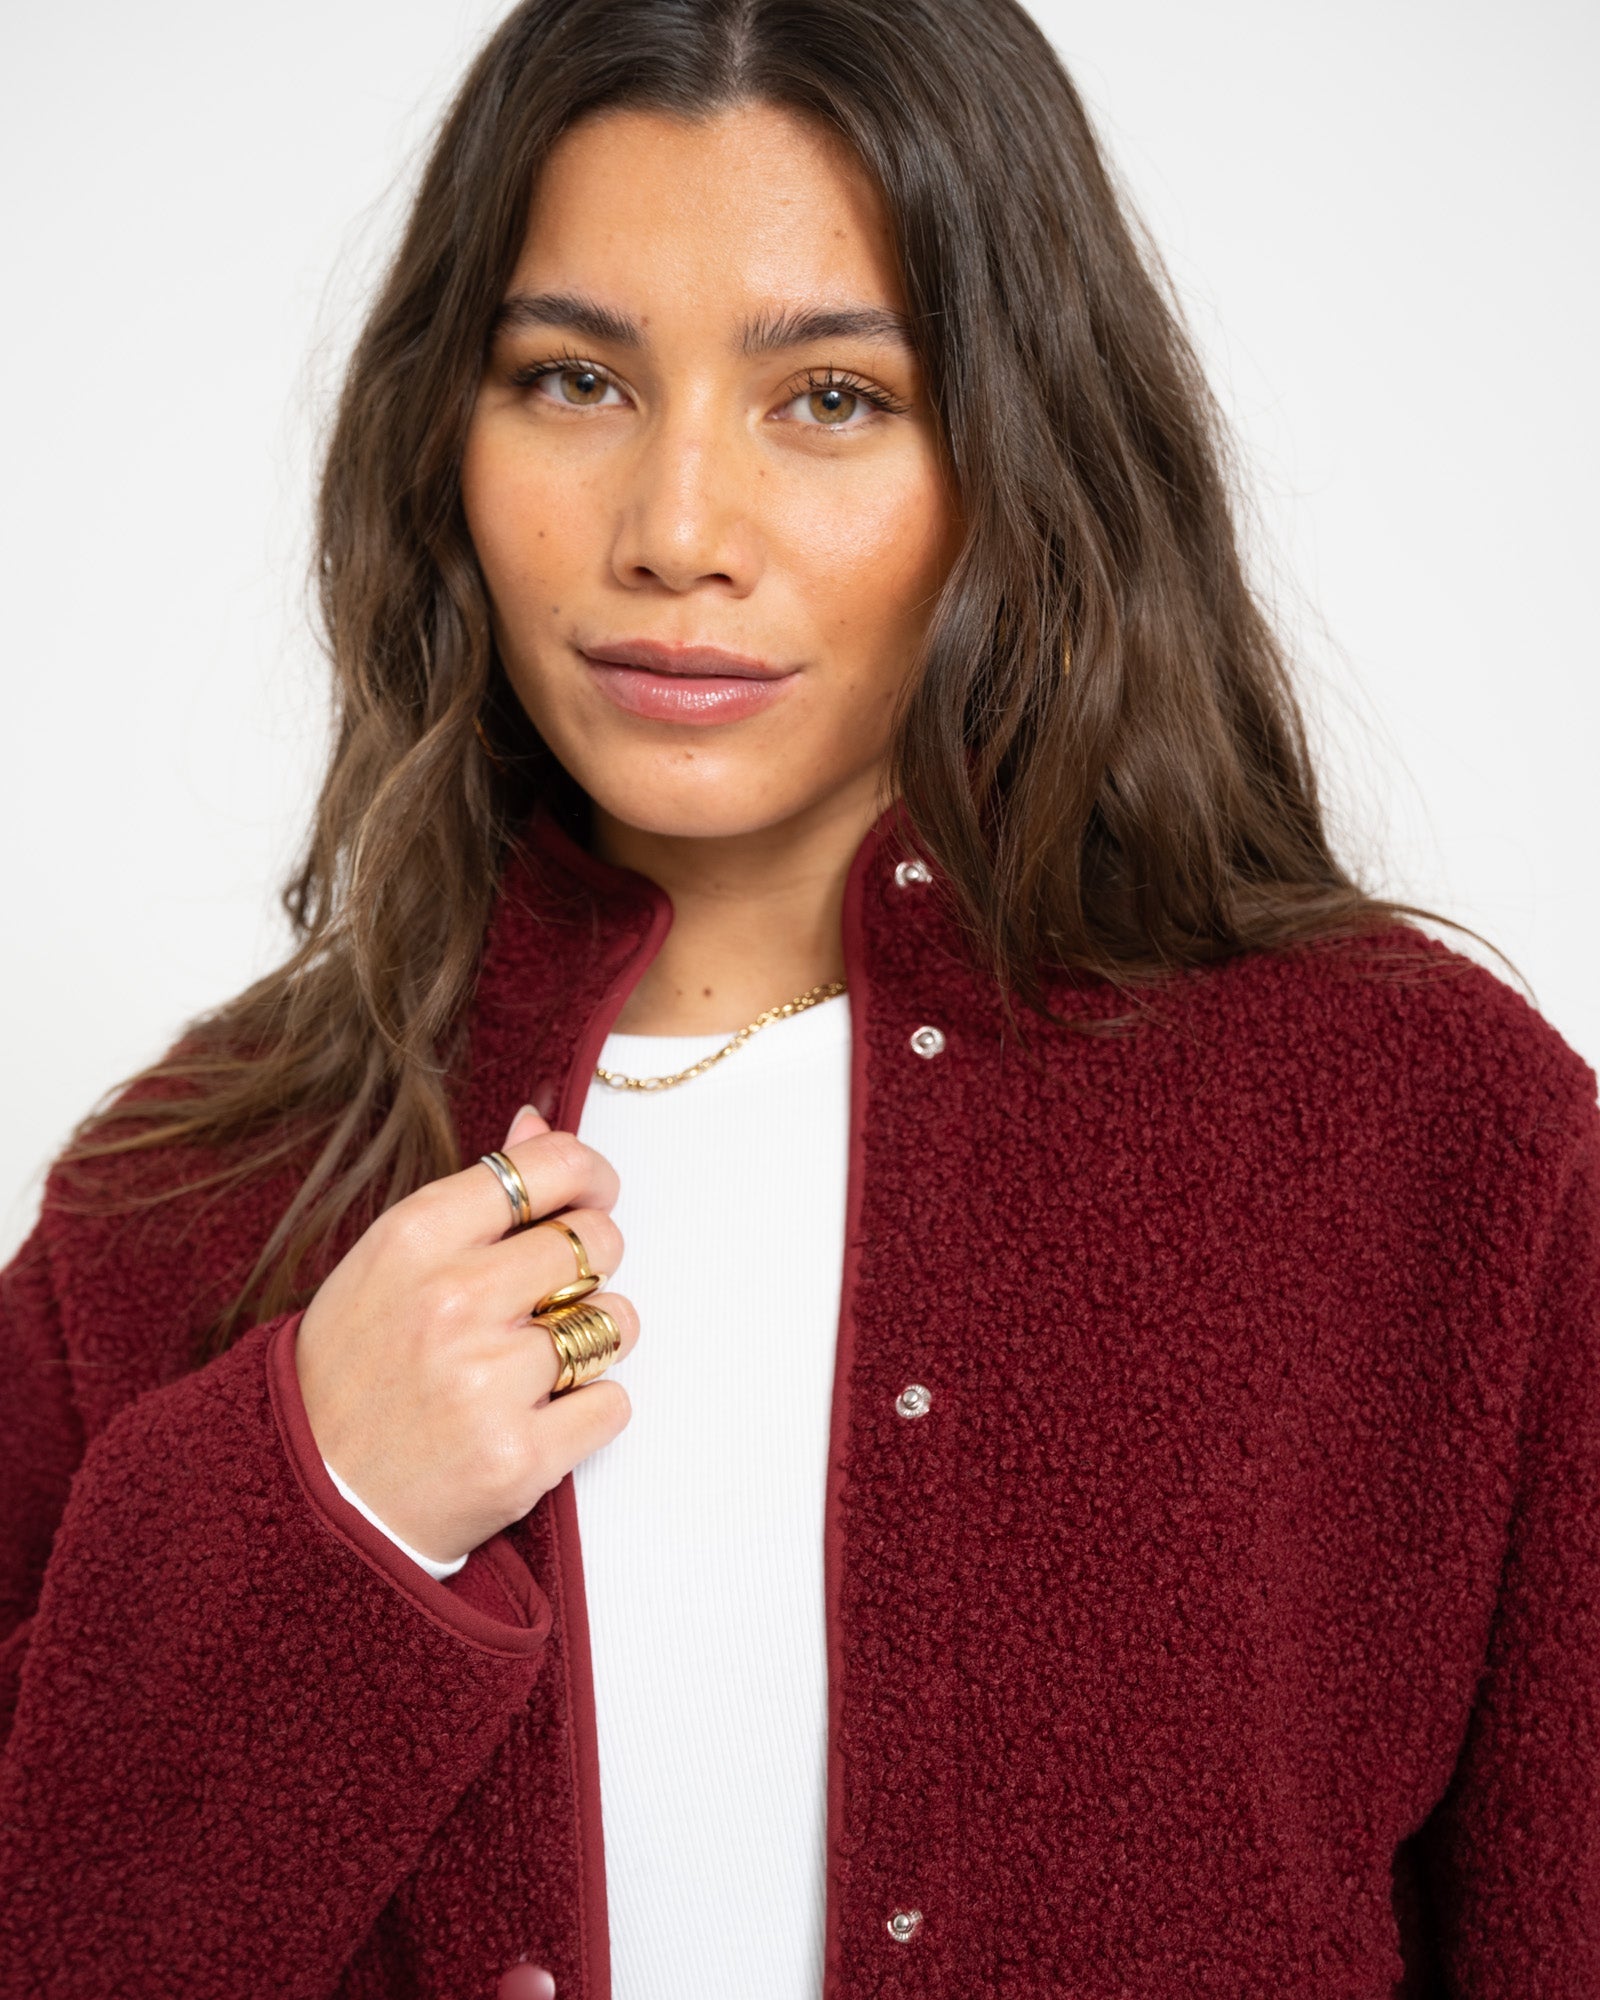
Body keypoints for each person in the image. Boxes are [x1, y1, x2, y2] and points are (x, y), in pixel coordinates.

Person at [1, 0, 1596, 1994]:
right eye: (573, 378)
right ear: (443, 434)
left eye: (830, 397)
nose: (676, 533)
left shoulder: (1424, 1132)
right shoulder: (186, 1187)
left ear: (1018, 449)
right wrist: (314, 1508)